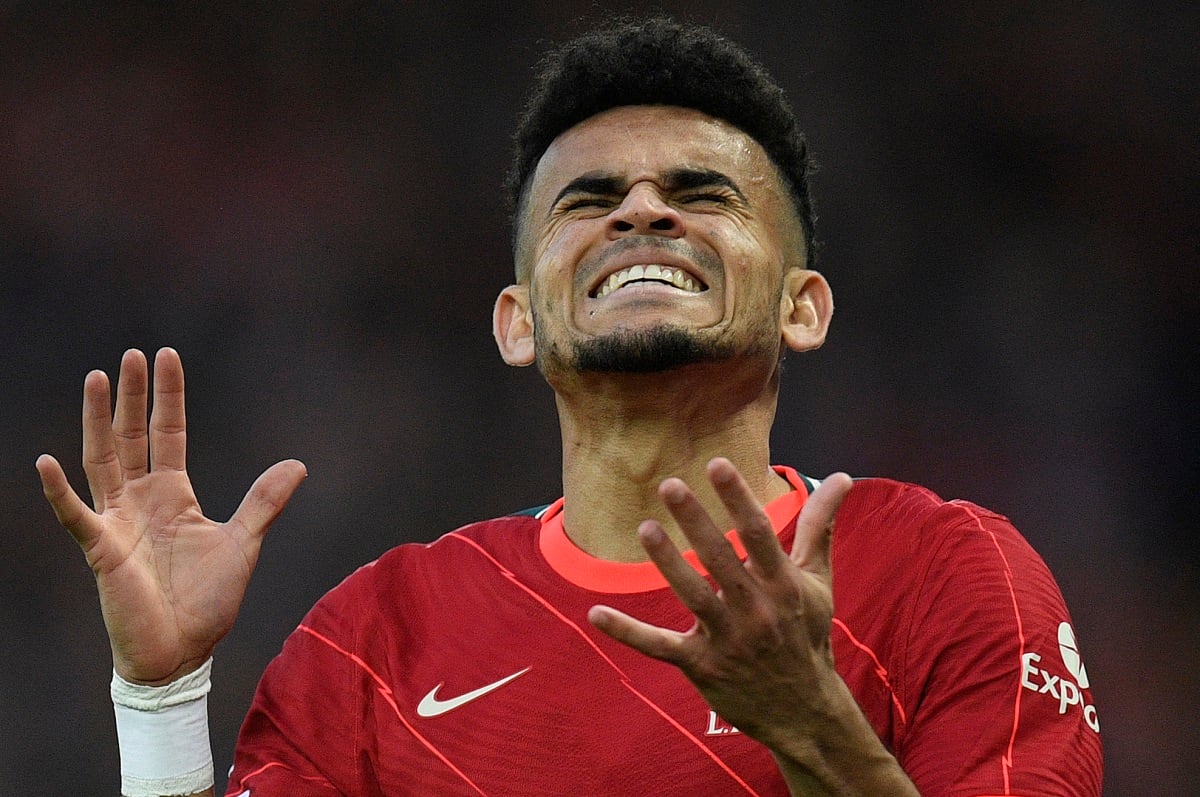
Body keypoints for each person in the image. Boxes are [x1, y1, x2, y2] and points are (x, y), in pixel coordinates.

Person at [37, 16, 1102, 797]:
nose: (641, 208)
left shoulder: (949, 575)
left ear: (803, 306)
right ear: (517, 322)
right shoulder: (376, 637)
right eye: (587, 201)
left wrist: (815, 730)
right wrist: (162, 700)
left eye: (703, 193)